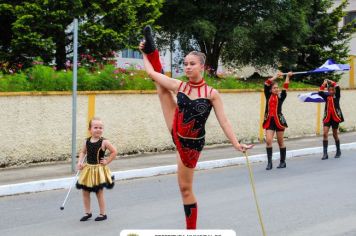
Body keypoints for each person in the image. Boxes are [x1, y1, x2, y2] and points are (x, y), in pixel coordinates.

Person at [139, 26, 252, 229]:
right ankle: (152, 48)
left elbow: (224, 121)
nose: (187, 67)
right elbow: (151, 73)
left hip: (191, 145)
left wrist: (236, 143)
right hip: (176, 128)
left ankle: (191, 230)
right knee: (161, 89)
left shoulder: (211, 93)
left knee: (185, 188)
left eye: (192, 64)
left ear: (202, 66)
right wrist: (145, 54)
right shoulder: (180, 86)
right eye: (185, 64)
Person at [76, 117, 117, 221]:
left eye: (100, 127)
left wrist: (107, 161)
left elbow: (114, 152)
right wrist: (80, 162)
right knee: (85, 191)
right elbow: (83, 152)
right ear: (90, 129)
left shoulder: (104, 142)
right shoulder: (86, 141)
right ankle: (87, 212)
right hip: (88, 169)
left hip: (99, 170)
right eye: (95, 127)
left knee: (99, 192)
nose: (98, 129)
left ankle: (102, 214)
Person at [262, 72, 292, 170]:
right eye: (274, 88)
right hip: (269, 121)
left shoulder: (281, 96)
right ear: (271, 89)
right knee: (268, 141)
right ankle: (269, 163)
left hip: (279, 121)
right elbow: (266, 83)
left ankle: (283, 162)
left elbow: (286, 87)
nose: (276, 89)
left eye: (277, 88)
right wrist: (276, 76)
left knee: (280, 142)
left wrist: (287, 76)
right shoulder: (267, 94)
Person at [318, 79, 344, 160]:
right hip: (327, 118)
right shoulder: (326, 96)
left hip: (335, 118)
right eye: (329, 90)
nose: (331, 91)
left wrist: (330, 81)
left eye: (332, 90)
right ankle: (325, 154)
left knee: (335, 134)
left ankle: (338, 150)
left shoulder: (337, 95)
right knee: (325, 133)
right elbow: (320, 92)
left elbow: (338, 87)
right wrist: (324, 83)